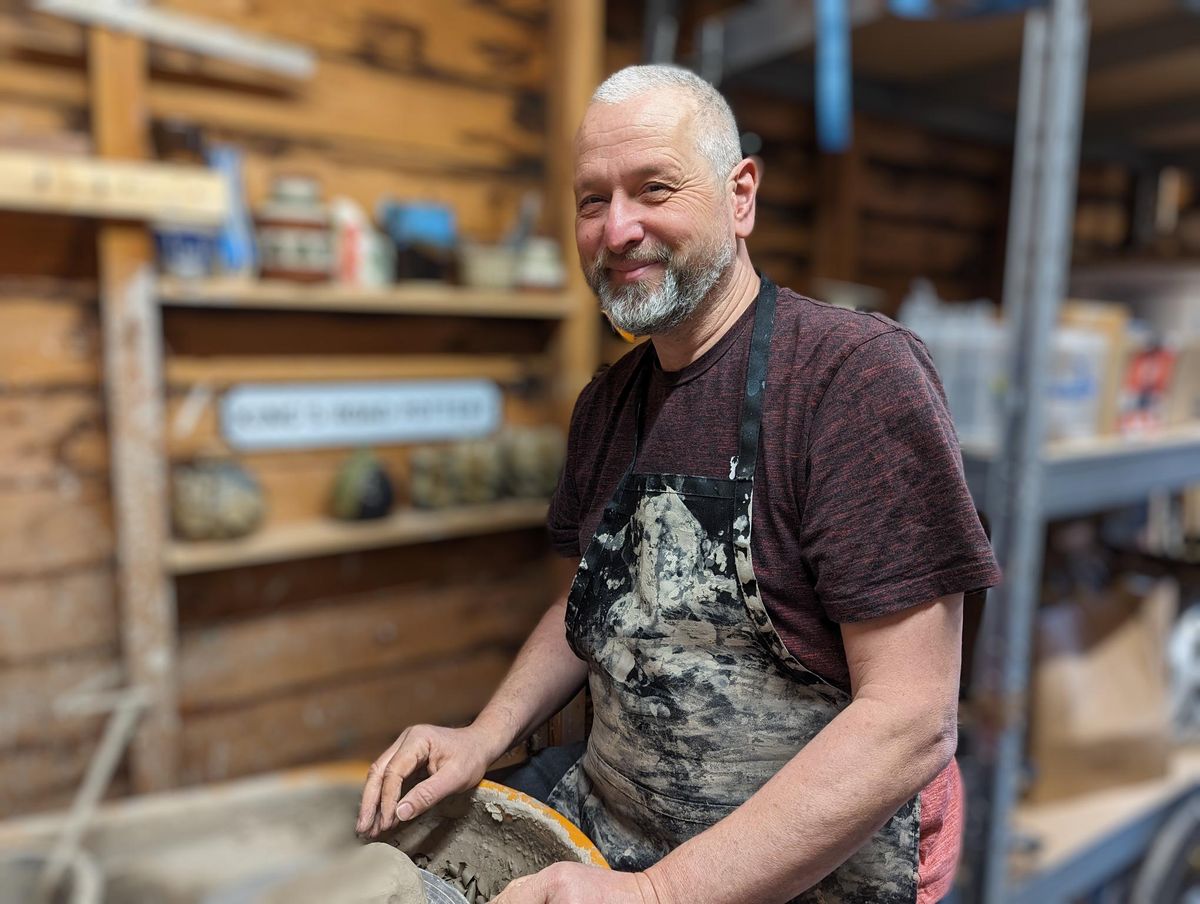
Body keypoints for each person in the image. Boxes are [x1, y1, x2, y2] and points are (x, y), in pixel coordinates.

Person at [357, 64, 1001, 904]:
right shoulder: (608, 403)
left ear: (741, 197)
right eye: (593, 200)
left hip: (804, 871)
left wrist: (660, 894)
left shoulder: (852, 379)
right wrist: (484, 733)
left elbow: (910, 724)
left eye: (653, 188)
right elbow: (592, 604)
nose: (618, 228)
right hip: (618, 827)